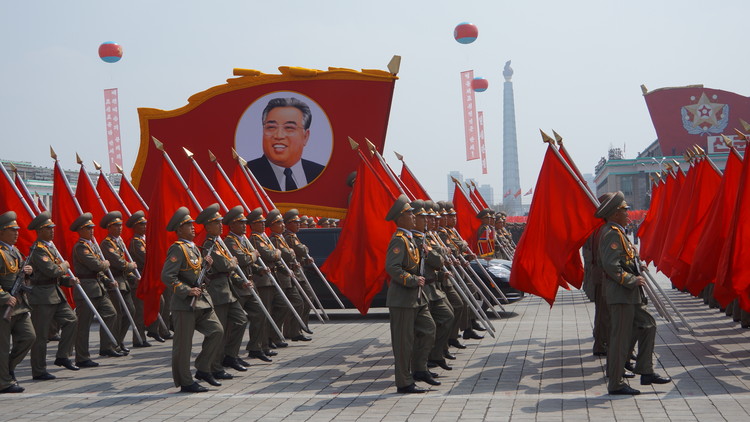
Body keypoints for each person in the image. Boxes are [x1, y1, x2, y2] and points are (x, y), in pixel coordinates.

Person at [596, 191, 671, 395]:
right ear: (614, 213)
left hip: (630, 294)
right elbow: (611, 265)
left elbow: (625, 260)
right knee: (620, 339)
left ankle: (645, 371)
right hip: (621, 294)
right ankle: (616, 383)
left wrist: (638, 267)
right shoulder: (611, 232)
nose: (628, 212)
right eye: (624, 209)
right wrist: (631, 279)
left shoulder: (619, 231)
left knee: (648, 325)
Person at [161, 207, 224, 393]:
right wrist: (186, 291)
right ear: (179, 229)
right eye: (188, 225)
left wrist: (207, 266)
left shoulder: (194, 248)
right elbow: (167, 276)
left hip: (201, 302)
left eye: (192, 224)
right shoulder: (178, 249)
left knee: (216, 331)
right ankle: (186, 382)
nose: (193, 227)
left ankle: (203, 368)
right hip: (184, 304)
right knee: (183, 345)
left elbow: (197, 273)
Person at [384, 195, 436, 394]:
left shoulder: (410, 239)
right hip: (403, 299)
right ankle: (404, 382)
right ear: (400, 217)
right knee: (403, 343)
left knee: (429, 329)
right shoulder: (399, 240)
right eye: (409, 213)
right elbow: (392, 267)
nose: (414, 216)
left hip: (416, 297)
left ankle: (420, 368)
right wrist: (413, 280)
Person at [196, 204, 248, 377]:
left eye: (220, 222)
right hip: (218, 292)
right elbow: (225, 265)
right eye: (216, 223)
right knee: (220, 330)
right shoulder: (209, 244)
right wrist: (233, 262)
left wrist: (238, 277)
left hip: (228, 289)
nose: (220, 225)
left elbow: (228, 268)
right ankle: (214, 366)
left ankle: (230, 356)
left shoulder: (219, 243)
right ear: (208, 226)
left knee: (241, 321)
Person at [26, 211, 78, 380]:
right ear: (40, 230)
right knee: (41, 335)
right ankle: (39, 370)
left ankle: (63, 356)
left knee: (71, 320)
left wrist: (66, 280)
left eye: (52, 228)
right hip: (42, 297)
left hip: (55, 292)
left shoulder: (49, 248)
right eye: (48, 228)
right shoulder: (38, 250)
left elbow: (53, 274)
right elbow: (51, 270)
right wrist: (65, 266)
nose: (52, 231)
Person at [71, 213, 122, 367]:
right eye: (88, 228)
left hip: (98, 286)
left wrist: (107, 280)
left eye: (92, 227)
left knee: (111, 313)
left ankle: (106, 347)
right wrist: (105, 264)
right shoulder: (80, 247)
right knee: (84, 324)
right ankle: (82, 357)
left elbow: (99, 271)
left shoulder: (92, 246)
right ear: (80, 230)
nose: (92, 230)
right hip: (86, 288)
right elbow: (97, 266)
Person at [246, 97, 325, 191]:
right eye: (271, 127)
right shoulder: (246, 174)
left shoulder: (320, 173)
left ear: (305, 136)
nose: (279, 136)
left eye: (289, 128)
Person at [0, 211, 35, 393]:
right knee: (3, 345)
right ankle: (4, 382)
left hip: (19, 304)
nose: (16, 233)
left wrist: (28, 271)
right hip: (4, 305)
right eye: (11, 230)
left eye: (17, 230)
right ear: (2, 232)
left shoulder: (16, 252)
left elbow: (20, 276)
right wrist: (5, 297)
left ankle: (7, 369)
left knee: (29, 336)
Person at [99, 211, 138, 355]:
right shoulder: (107, 244)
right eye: (116, 226)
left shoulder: (118, 242)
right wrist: (130, 266)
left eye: (120, 225)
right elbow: (119, 263)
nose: (119, 228)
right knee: (117, 314)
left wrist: (132, 275)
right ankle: (109, 345)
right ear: (109, 228)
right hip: (114, 281)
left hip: (124, 282)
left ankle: (118, 340)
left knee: (130, 311)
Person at [265, 209, 304, 348]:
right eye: (279, 223)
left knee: (294, 303)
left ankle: (290, 332)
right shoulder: (274, 239)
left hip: (286, 275)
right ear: (272, 225)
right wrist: (291, 253)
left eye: (282, 222)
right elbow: (286, 255)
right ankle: (274, 336)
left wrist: (291, 254)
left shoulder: (281, 238)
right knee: (280, 306)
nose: (282, 225)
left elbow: (292, 254)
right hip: (280, 277)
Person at [282, 209, 314, 342]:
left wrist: (305, 259)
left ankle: (299, 327)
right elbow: (301, 250)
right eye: (295, 222)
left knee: (306, 299)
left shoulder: (293, 236)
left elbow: (299, 255)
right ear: (288, 224)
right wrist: (304, 249)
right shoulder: (288, 237)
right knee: (300, 301)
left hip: (298, 272)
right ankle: (294, 330)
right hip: (292, 274)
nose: (299, 224)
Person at [125, 211, 154, 347]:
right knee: (139, 310)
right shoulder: (136, 242)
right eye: (142, 224)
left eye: (145, 224)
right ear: (135, 227)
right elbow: (145, 258)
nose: (145, 226)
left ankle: (152, 330)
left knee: (156, 304)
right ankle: (139, 338)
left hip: (146, 277)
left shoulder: (143, 240)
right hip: (139, 278)